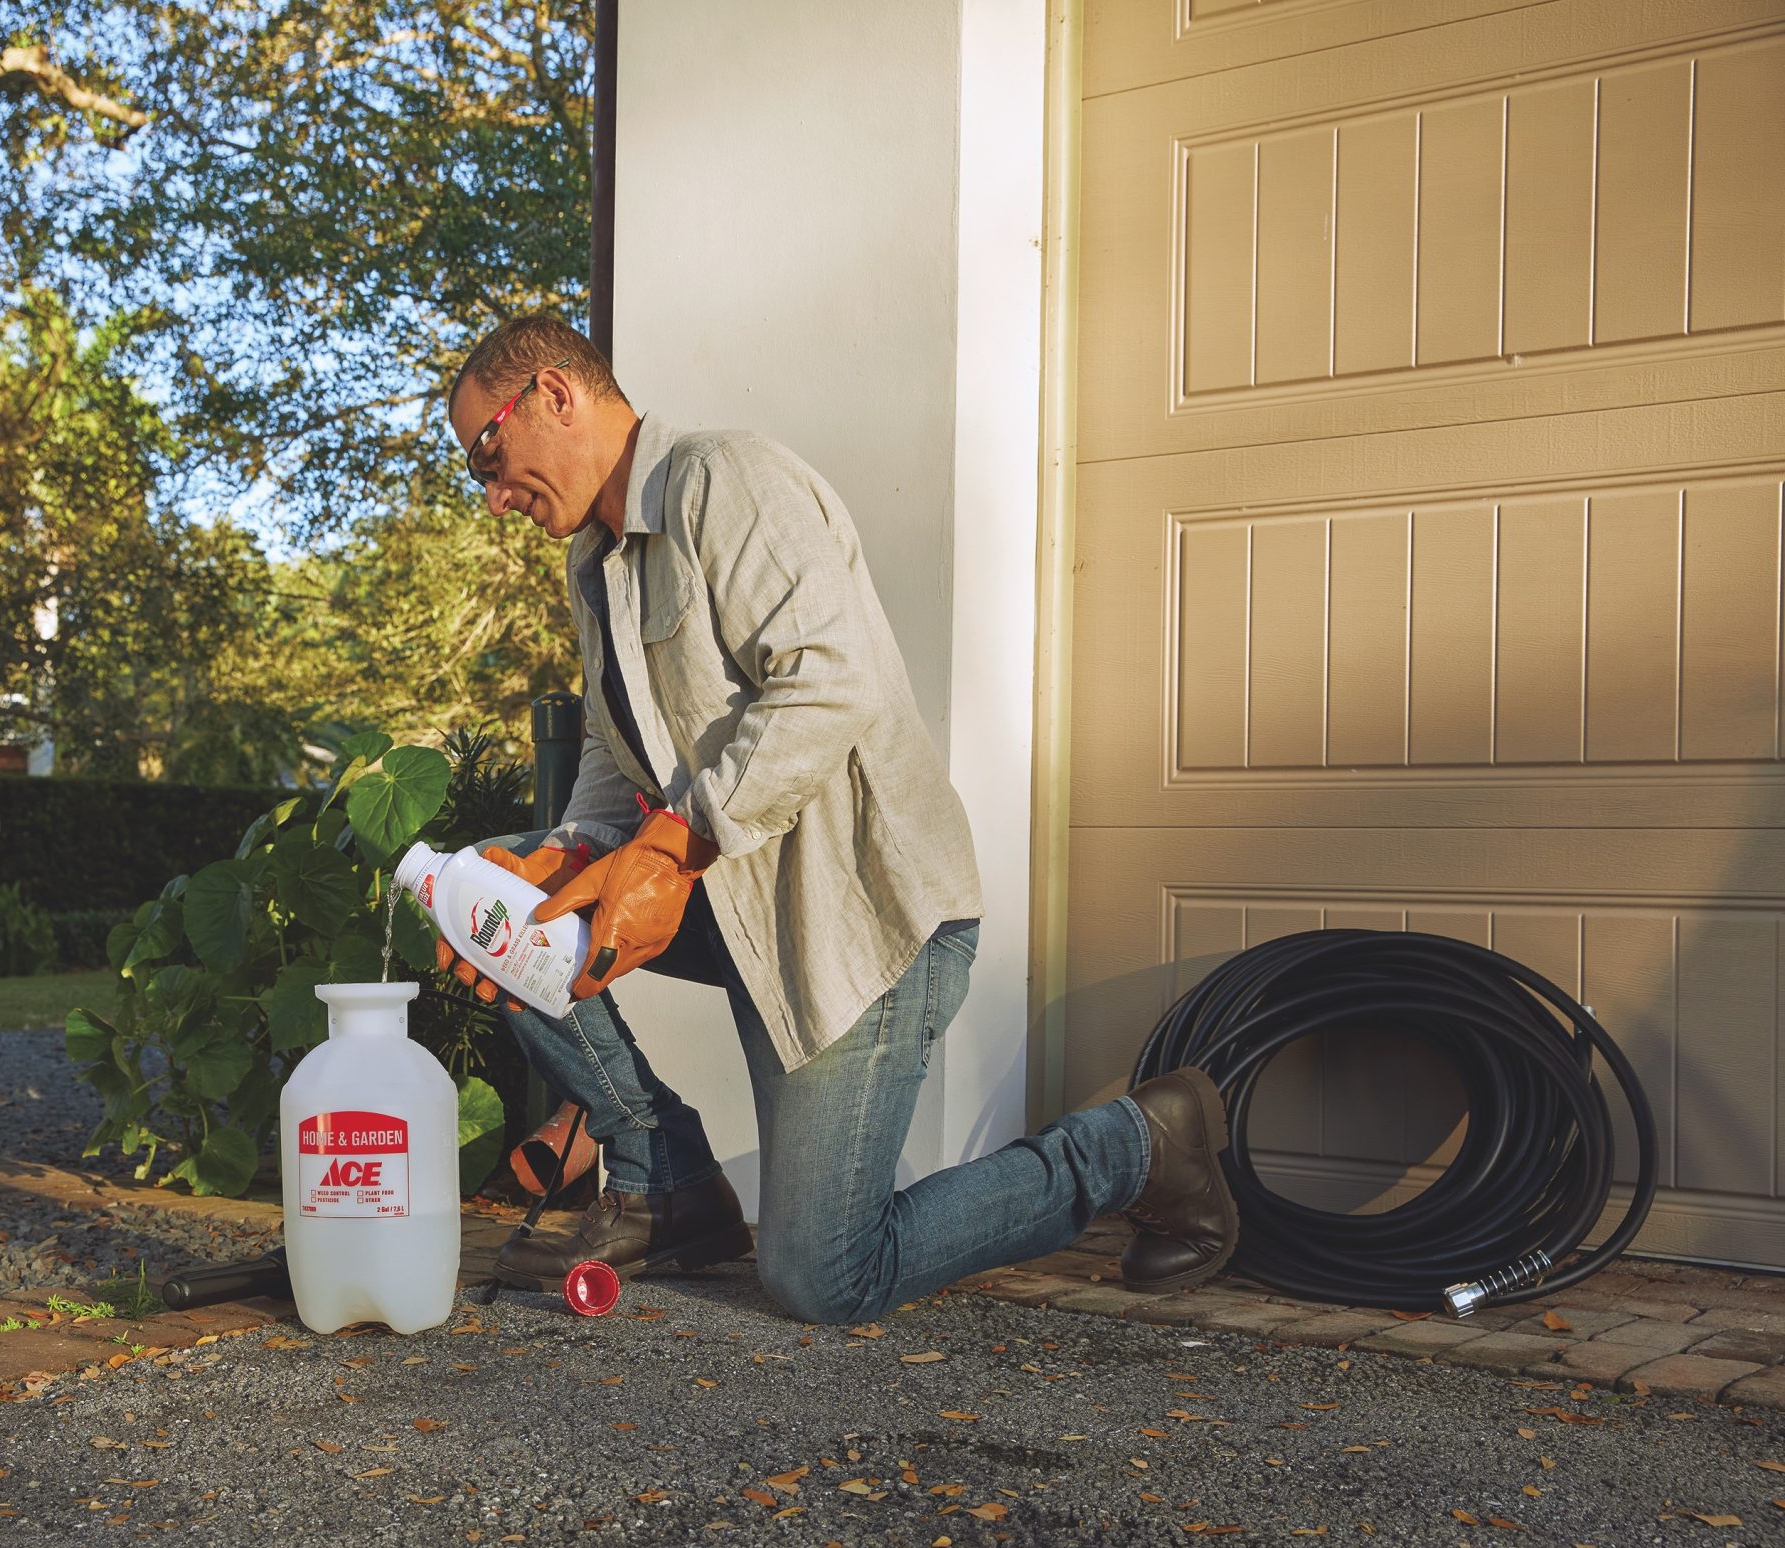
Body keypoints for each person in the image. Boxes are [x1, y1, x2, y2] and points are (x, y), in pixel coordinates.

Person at [432, 315, 1239, 1325]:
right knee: (495, 888)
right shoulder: (591, 563)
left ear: (553, 394)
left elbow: (828, 683)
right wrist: (570, 858)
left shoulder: (721, 481)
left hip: (862, 925)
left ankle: (1135, 1148)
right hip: (738, 907)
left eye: (488, 454)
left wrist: (668, 847)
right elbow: (614, 749)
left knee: (822, 1275)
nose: (494, 495)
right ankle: (661, 1180)